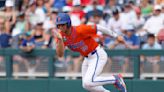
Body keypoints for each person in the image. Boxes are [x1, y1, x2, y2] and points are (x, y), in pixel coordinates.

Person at [54, 13, 127, 92]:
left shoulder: (79, 29)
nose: (60, 27)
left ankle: (115, 79)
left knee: (88, 82)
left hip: (97, 54)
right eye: (58, 25)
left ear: (68, 23)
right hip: (87, 58)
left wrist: (115, 36)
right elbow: (60, 54)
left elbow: (98, 27)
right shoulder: (61, 37)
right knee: (86, 85)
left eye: (62, 25)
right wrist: (60, 41)